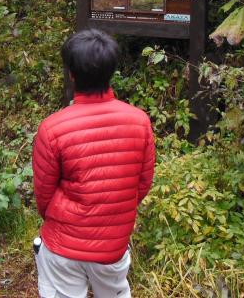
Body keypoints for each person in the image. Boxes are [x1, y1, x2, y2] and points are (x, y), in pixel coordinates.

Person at [32, 29, 155, 298]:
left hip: (63, 242)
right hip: (113, 243)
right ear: (111, 72)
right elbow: (143, 183)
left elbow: (43, 193)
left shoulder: (52, 128)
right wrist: (113, 210)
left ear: (71, 74)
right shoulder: (139, 121)